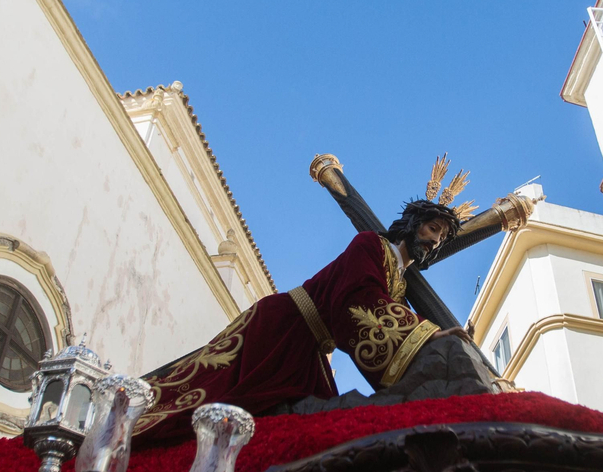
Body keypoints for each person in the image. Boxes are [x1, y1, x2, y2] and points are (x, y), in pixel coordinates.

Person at [132, 191, 472, 449]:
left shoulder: (398, 284)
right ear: (413, 224)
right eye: (432, 228)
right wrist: (426, 335)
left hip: (311, 349)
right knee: (220, 394)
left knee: (314, 432)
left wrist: (427, 340)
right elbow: (356, 299)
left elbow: (387, 321)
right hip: (283, 328)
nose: (435, 240)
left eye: (442, 238)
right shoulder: (371, 245)